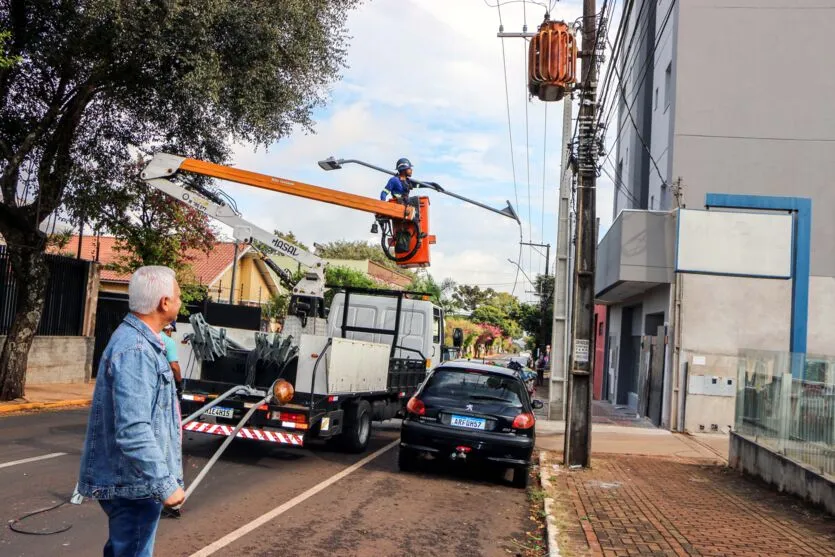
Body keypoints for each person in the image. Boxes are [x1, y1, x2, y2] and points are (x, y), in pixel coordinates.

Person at [78, 266, 185, 557]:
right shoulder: (137, 349)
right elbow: (133, 430)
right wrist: (165, 485)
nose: (179, 301)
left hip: (134, 481)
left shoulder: (143, 343)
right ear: (164, 302)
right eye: (177, 296)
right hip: (134, 484)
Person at [162, 321, 183, 399]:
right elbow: (174, 366)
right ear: (168, 330)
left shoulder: (151, 335)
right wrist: (179, 383)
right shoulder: (168, 341)